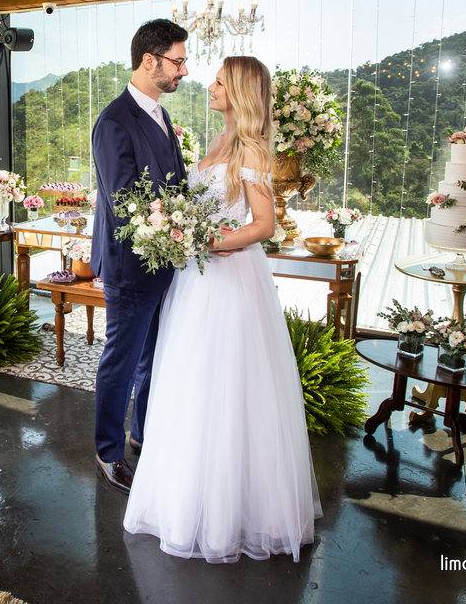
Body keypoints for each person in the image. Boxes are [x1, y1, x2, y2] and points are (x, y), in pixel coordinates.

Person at [123, 56, 322, 563]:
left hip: (229, 281)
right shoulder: (218, 141)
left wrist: (212, 241)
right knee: (191, 382)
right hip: (196, 279)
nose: (208, 87)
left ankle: (232, 510)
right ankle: (186, 496)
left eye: (217, 81)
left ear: (238, 91)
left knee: (229, 386)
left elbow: (264, 224)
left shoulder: (251, 148)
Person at [90, 18, 189, 494]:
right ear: (150, 61)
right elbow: (124, 201)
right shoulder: (114, 121)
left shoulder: (161, 115)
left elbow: (174, 184)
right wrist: (180, 225)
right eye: (178, 61)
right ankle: (108, 453)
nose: (184, 71)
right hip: (130, 266)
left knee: (153, 358)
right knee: (122, 362)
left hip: (163, 264)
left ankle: (142, 435)